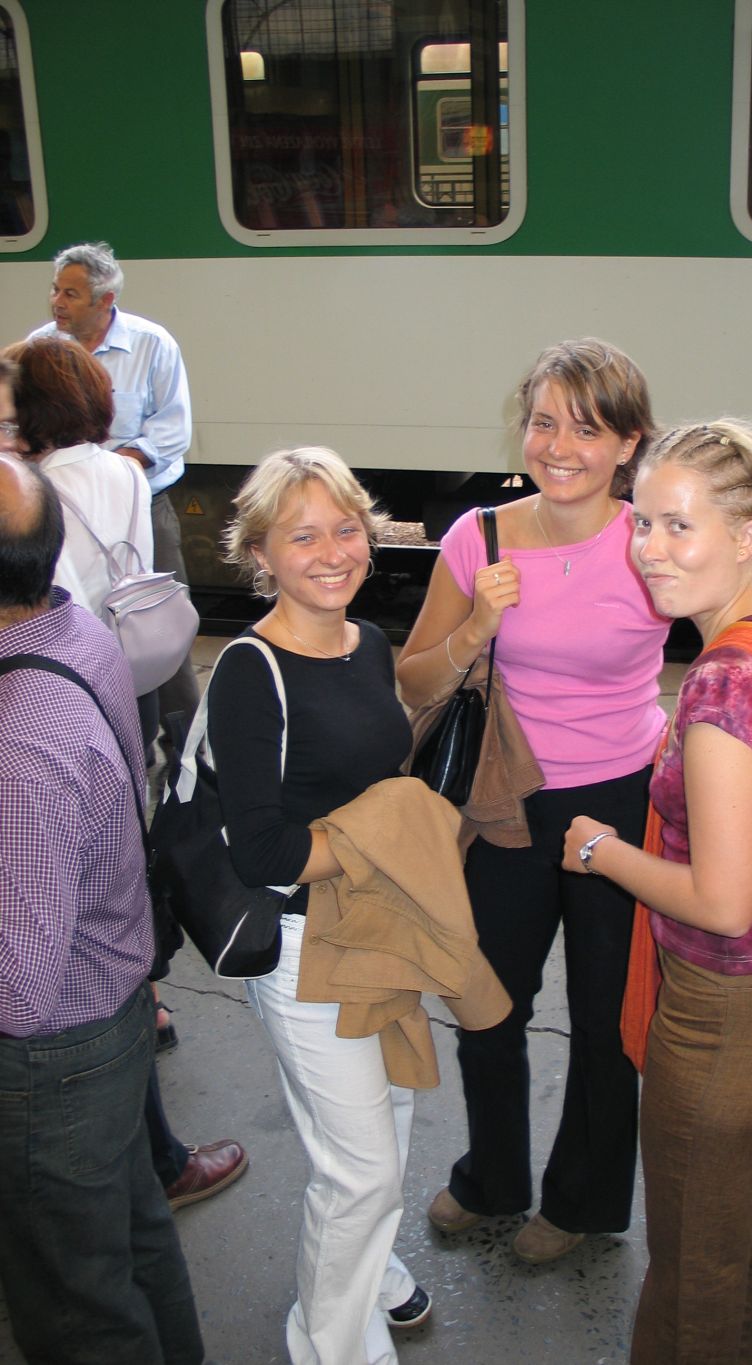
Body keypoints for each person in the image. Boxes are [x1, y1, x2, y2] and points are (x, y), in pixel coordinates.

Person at [562, 420, 752, 1363]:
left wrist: (600, 849)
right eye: (642, 522)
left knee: (693, 1271)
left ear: (748, 533)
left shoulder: (723, 693)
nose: (649, 549)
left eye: (678, 526)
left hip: (730, 1014)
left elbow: (724, 902)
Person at [397, 338, 670, 1262]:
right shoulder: (478, 537)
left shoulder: (652, 543)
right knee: (489, 1001)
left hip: (621, 799)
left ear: (627, 444)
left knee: (607, 1017)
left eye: (587, 429)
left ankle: (583, 1201)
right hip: (504, 800)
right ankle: (494, 1178)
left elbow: (733, 619)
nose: (560, 446)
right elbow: (412, 678)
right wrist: (477, 624)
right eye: (545, 422)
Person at [4, 333, 249, 1213]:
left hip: (57, 674)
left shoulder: (36, 490)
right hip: (121, 667)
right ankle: (146, 990)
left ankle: (142, 1003)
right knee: (122, 842)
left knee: (88, 872)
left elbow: (40, 591)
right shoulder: (120, 470)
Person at [208, 447, 431, 1365]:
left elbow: (376, 772)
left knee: (390, 1118)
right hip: (305, 945)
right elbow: (260, 849)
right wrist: (392, 841)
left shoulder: (368, 644)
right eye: (303, 537)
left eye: (347, 529)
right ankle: (330, 1343)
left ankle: (370, 1271)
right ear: (260, 551)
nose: (333, 552)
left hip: (381, 925)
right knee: (360, 1167)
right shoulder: (247, 672)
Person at [0, 454, 205, 1365]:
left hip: (51, 1062)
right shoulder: (72, 626)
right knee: (135, 1238)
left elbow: (17, 990)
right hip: (112, 1009)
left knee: (75, 1301)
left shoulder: (19, 742)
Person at [29, 240, 200, 748]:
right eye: (55, 290)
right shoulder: (39, 348)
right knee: (77, 625)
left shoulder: (152, 344)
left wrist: (109, 469)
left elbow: (172, 430)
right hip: (60, 509)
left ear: (106, 300)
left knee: (155, 625)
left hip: (138, 507)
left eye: (71, 294)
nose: (57, 302)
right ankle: (108, 740)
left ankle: (185, 749)